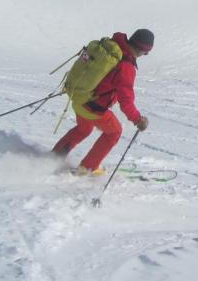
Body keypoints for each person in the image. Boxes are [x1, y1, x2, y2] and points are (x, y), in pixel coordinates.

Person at [53, 29, 153, 176]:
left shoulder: (112, 47)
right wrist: (138, 120)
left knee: (84, 129)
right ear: (141, 49)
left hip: (79, 97)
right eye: (146, 52)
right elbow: (126, 101)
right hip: (92, 107)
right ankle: (86, 169)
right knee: (114, 132)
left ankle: (54, 156)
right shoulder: (126, 66)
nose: (145, 55)